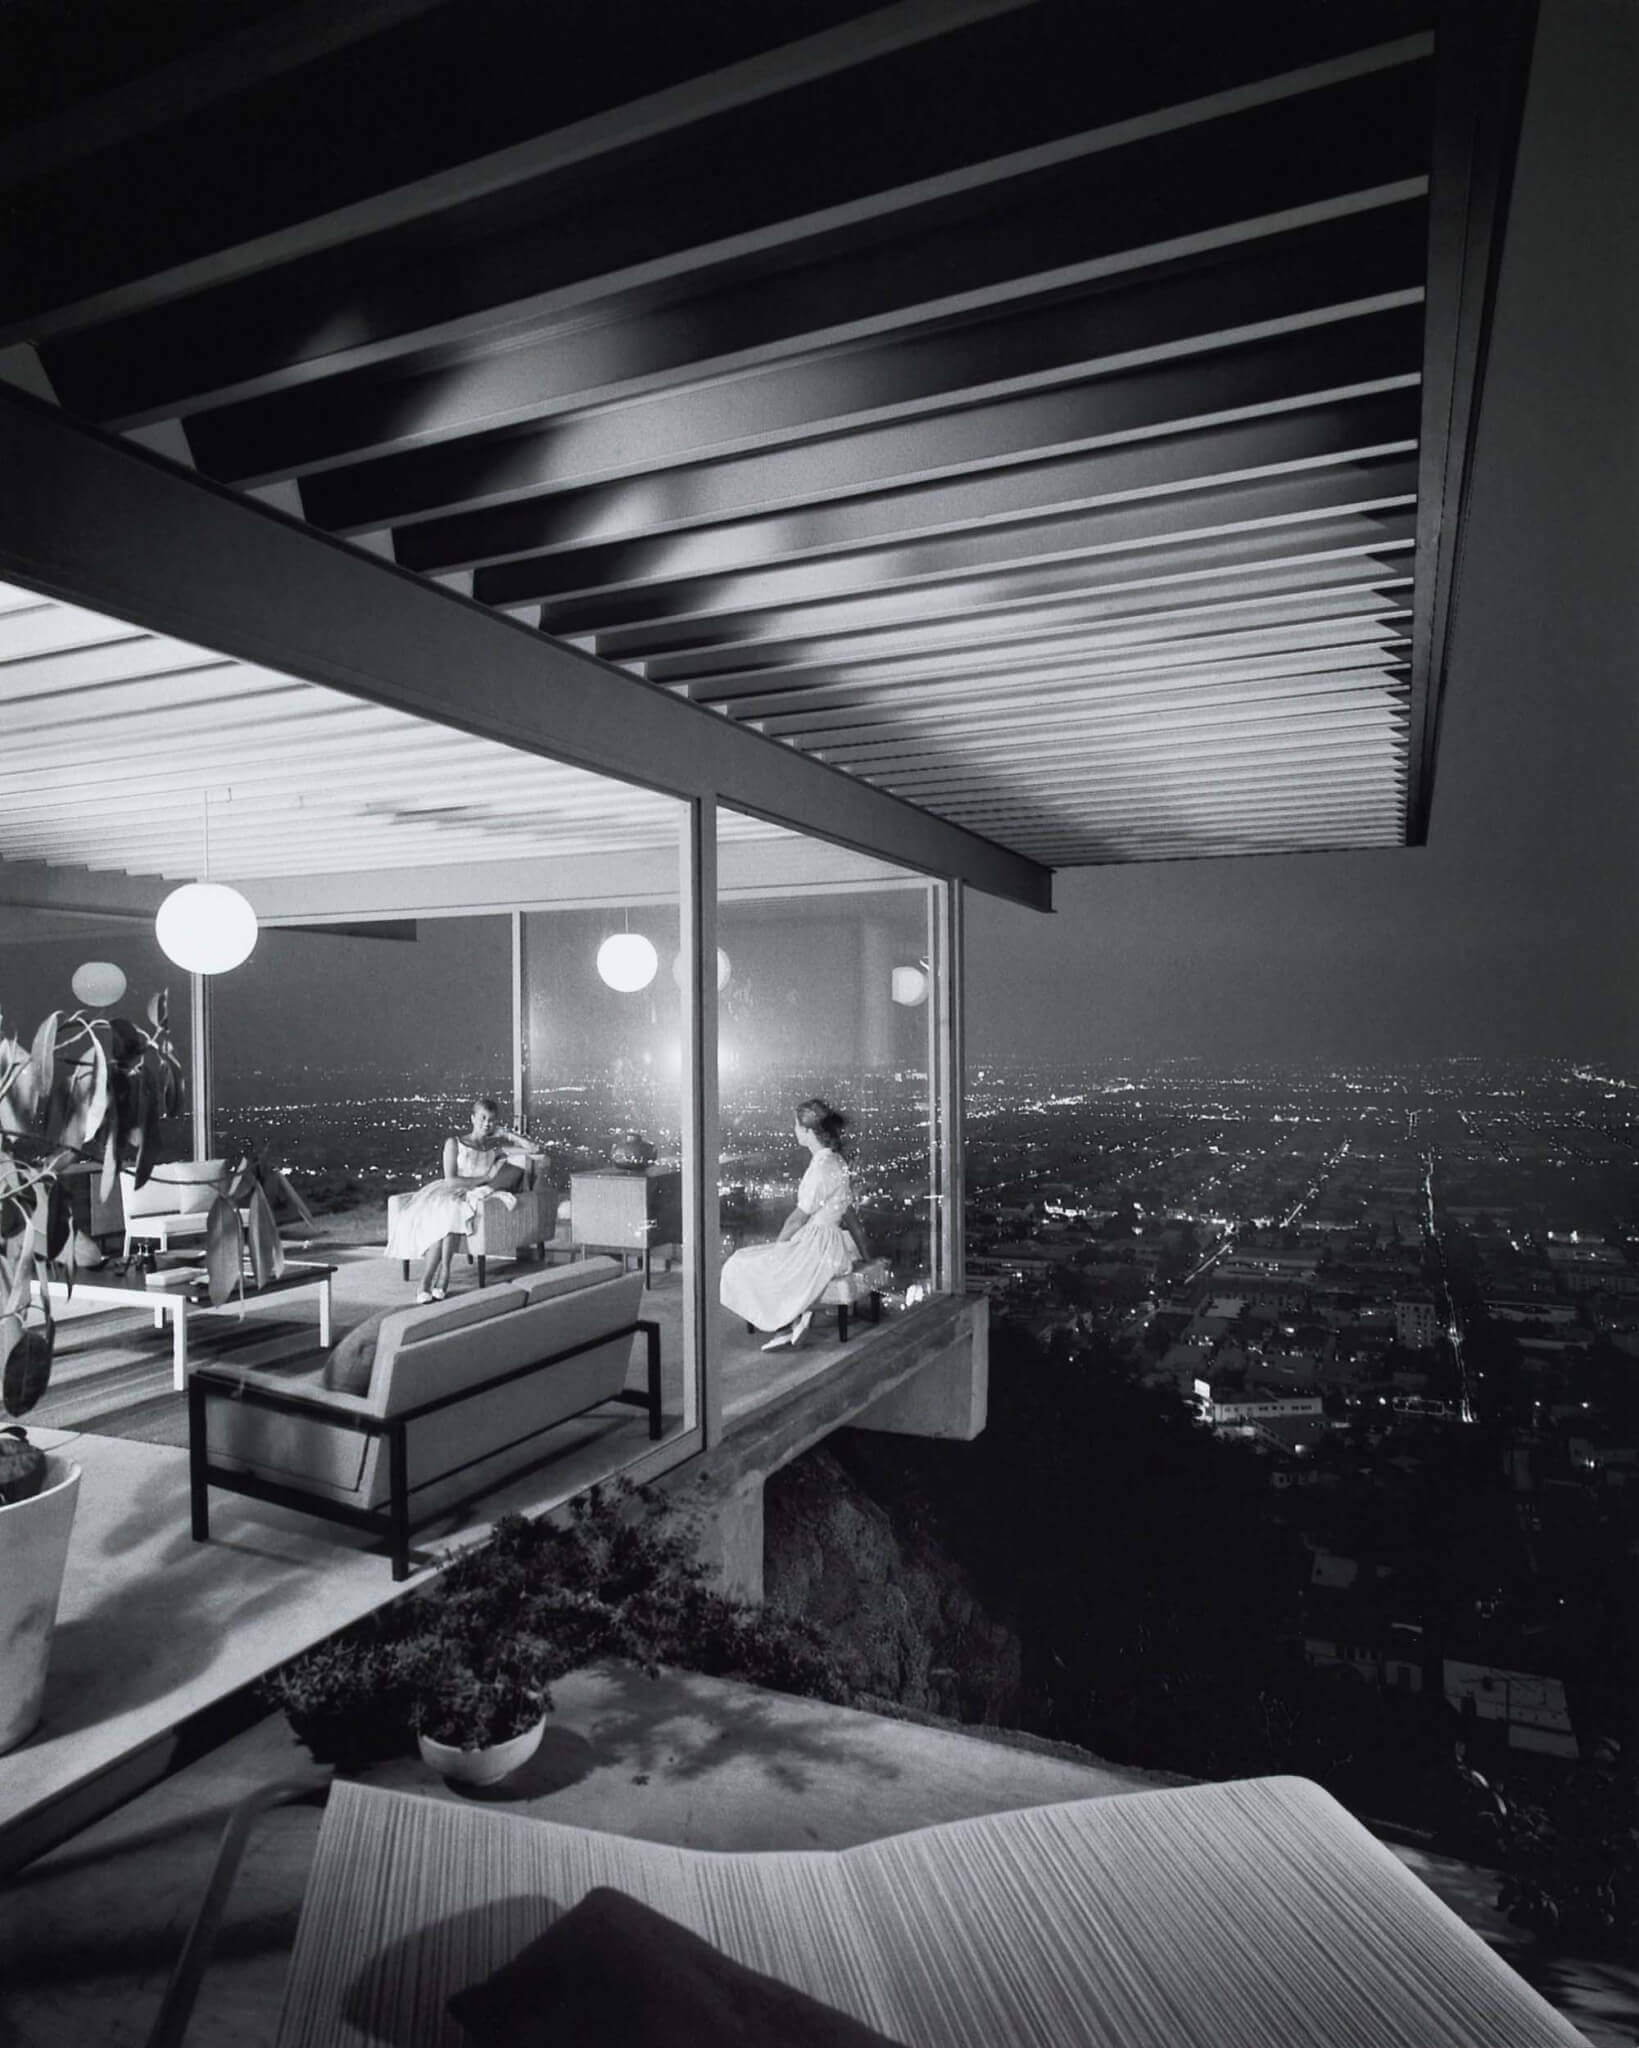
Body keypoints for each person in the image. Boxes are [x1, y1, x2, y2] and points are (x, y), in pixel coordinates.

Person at [720, 1098, 872, 1350]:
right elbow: (848, 1216)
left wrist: (780, 1245)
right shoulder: (836, 1161)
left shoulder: (821, 1168)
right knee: (754, 1258)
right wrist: (866, 1252)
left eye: (796, 1126)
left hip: (817, 1244)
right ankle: (796, 1320)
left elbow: (797, 1219)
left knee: (740, 1261)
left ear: (809, 1132)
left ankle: (785, 1321)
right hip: (829, 1244)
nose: (794, 1130)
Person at [385, 1096, 543, 1301]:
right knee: (450, 1209)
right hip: (447, 1192)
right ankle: (432, 1278)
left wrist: (507, 1134)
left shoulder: (494, 1149)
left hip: (471, 1195)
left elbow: (534, 1149)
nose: (487, 1123)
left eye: (492, 1120)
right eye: (483, 1118)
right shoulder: (454, 1143)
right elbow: (451, 1180)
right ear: (472, 1118)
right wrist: (486, 1177)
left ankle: (440, 1275)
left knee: (454, 1211)